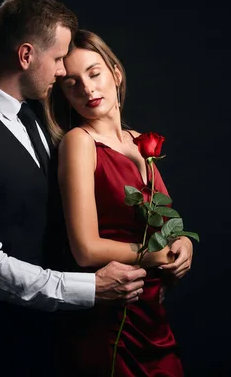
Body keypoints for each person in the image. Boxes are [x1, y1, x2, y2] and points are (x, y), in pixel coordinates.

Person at [0, 0, 148, 376]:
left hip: (56, 333)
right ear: (26, 56)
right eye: (59, 59)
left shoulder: (37, 117)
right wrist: (88, 289)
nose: (63, 72)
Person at [45, 29, 194, 376]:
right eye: (71, 83)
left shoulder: (141, 141)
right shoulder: (79, 142)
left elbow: (158, 223)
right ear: (64, 95)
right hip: (114, 318)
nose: (87, 89)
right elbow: (85, 248)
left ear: (116, 72)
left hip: (153, 316)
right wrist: (158, 255)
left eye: (94, 73)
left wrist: (183, 243)